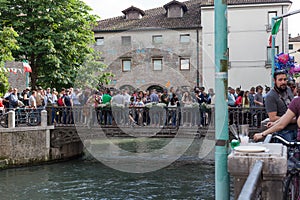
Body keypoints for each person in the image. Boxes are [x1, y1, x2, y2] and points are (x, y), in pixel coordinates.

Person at [263, 70, 297, 141]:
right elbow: (273, 118)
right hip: (284, 132)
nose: (283, 82)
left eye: (285, 79)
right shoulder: (270, 96)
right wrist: (291, 119)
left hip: (296, 129)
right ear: (274, 81)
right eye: (280, 80)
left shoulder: (288, 89)